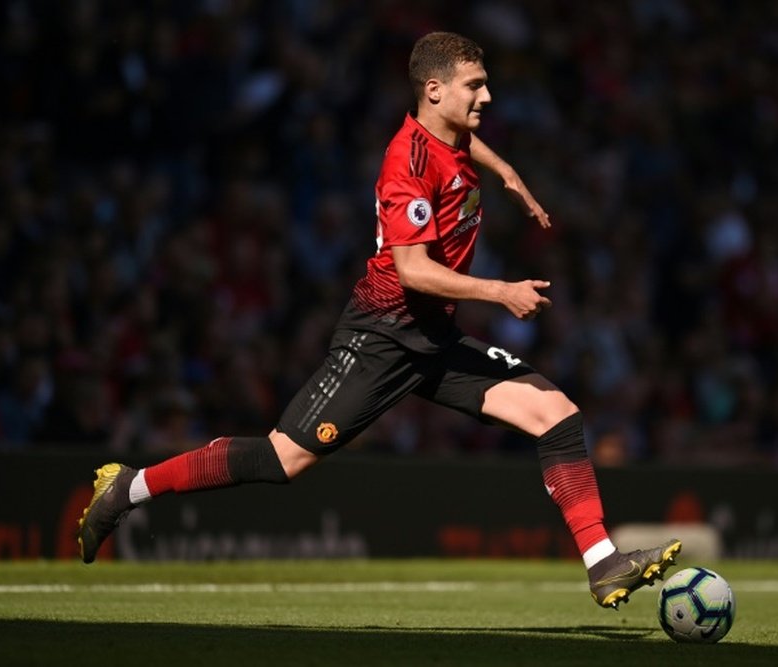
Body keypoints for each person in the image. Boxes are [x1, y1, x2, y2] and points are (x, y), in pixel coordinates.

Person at [77, 31, 680, 610]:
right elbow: (413, 270)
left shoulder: (451, 136)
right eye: (476, 85)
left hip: (434, 337)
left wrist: (508, 175)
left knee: (557, 414)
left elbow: (466, 147)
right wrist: (500, 291)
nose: (488, 97)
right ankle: (129, 487)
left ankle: (602, 564)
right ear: (435, 91)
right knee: (283, 459)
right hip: (382, 334)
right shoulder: (405, 162)